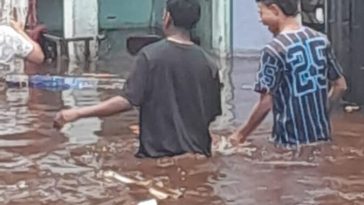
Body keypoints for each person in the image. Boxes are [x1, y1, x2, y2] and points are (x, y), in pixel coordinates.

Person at [54, 0, 222, 158]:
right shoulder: (210, 64)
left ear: (167, 18)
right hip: (199, 156)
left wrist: (77, 112)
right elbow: (211, 115)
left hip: (156, 158)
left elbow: (126, 101)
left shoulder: (149, 57)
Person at [230, 0, 347, 149]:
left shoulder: (274, 49)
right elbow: (340, 85)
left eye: (261, 12)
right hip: (322, 136)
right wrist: (322, 112)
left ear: (274, 9)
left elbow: (266, 102)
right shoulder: (321, 40)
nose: (260, 20)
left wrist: (240, 135)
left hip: (289, 142)